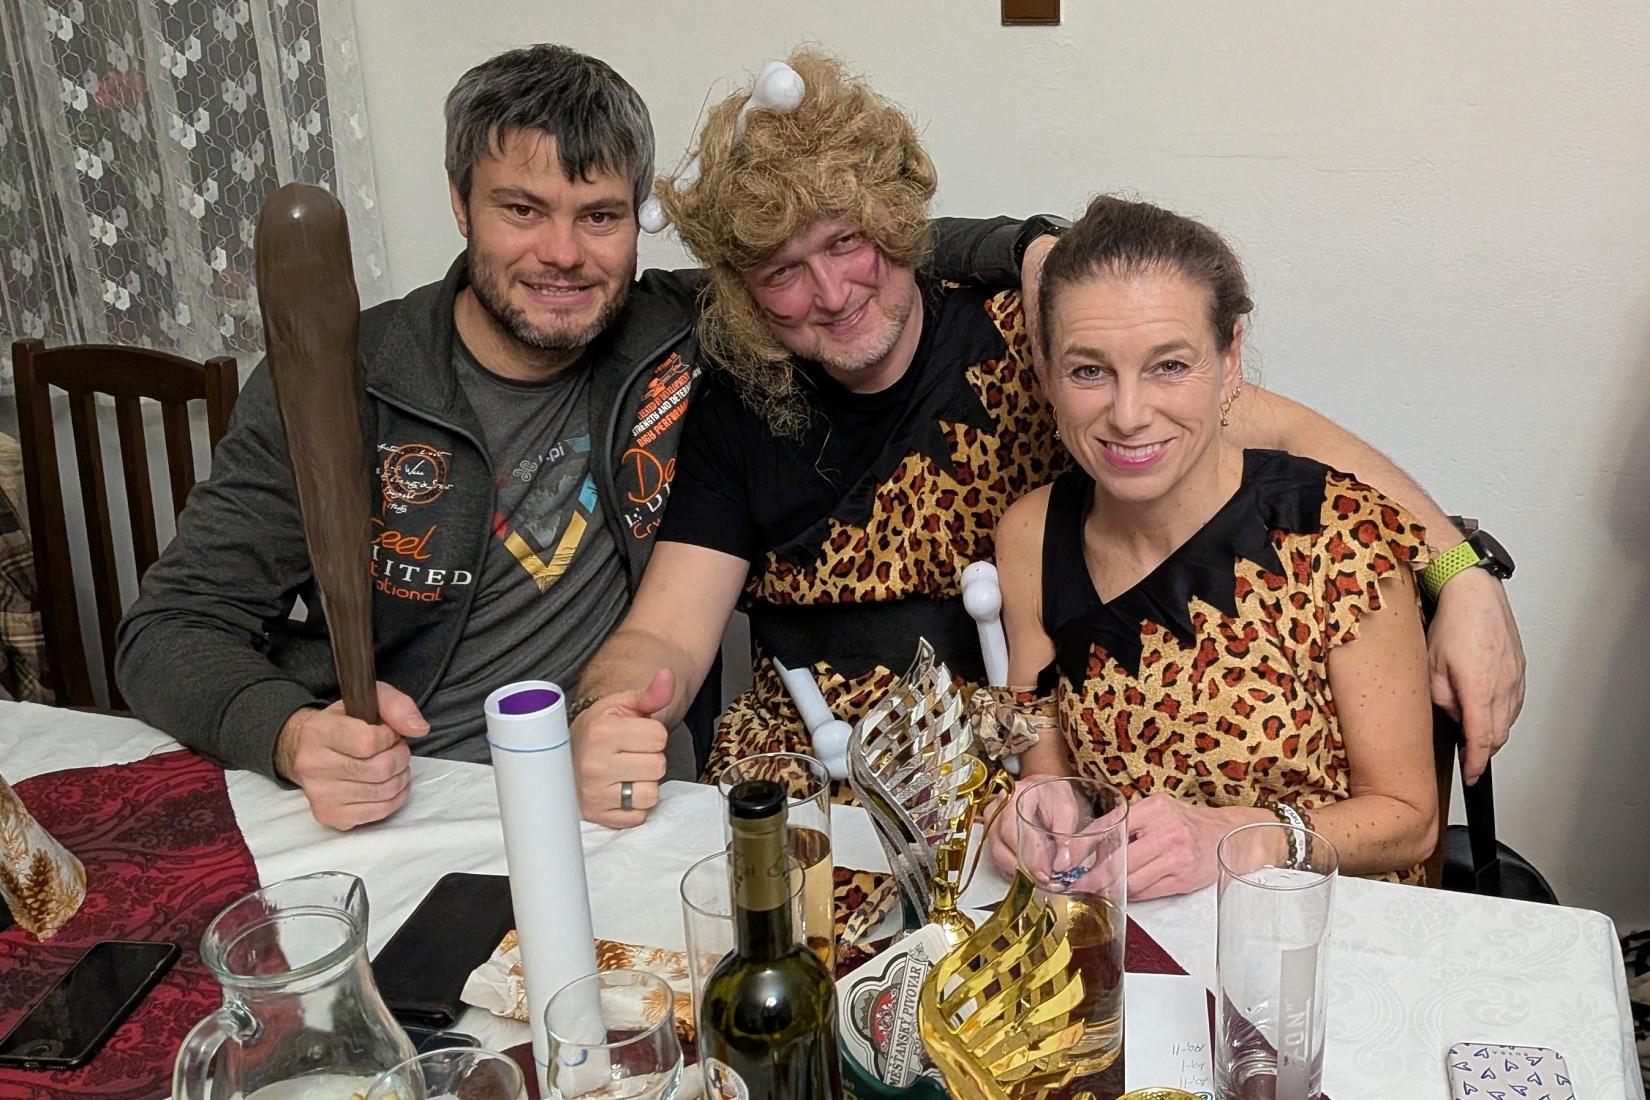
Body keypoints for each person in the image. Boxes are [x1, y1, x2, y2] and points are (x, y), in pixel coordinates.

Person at [569, 49, 1521, 829]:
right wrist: (613, 707)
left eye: (846, 242)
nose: (829, 292)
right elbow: (665, 631)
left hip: (1013, 794)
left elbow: (1268, 431)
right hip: (817, 802)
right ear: (743, 290)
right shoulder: (744, 401)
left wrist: (1460, 573)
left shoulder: (1036, 338)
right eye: (781, 271)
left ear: (896, 222)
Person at [113, 44, 1021, 830]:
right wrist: (289, 732)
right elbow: (167, 631)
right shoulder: (346, 382)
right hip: (405, 793)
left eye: (599, 216)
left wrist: (1035, 251)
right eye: (522, 209)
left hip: (605, 805)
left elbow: (842, 244)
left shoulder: (678, 330)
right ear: (460, 204)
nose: (563, 254)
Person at [984, 195, 1442, 894]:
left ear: (1230, 359)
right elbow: (1046, 757)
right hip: (1136, 924)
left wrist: (1242, 837)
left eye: (1169, 365)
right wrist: (1039, 810)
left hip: (1317, 922)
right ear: (1045, 372)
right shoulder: (1029, 535)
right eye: (1089, 371)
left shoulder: (1340, 531)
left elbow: (1408, 821)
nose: (1129, 415)